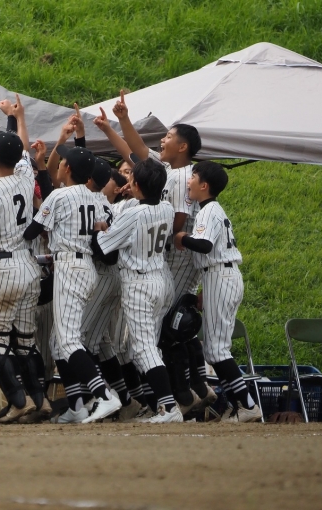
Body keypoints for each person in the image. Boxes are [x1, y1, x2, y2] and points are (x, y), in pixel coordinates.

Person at [110, 91, 214, 412]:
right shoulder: (170, 170)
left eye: (168, 136)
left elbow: (178, 219)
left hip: (176, 260)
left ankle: (185, 394)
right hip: (166, 261)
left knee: (170, 330)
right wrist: (121, 121)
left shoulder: (182, 176)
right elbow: (137, 153)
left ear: (182, 146)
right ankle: (188, 393)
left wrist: (156, 236)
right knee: (163, 332)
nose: (162, 140)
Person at [24, 145, 122, 424]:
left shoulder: (60, 195)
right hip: (87, 266)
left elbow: (31, 231)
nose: (60, 164)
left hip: (70, 266)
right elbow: (101, 229)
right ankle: (77, 406)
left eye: (62, 161)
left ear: (67, 168)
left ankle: (104, 395)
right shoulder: (95, 197)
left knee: (68, 341)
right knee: (58, 342)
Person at [0, 99, 47, 423]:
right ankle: (40, 400)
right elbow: (25, 150)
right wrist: (17, 118)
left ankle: (18, 401)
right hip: (29, 267)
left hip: (3, 269)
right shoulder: (26, 176)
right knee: (26, 341)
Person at [92, 158, 182, 423]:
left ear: (138, 185)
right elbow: (139, 205)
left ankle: (169, 407)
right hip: (160, 279)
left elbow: (103, 248)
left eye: (132, 179)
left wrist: (99, 230)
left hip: (139, 283)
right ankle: (161, 405)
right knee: (145, 348)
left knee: (143, 349)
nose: (128, 182)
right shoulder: (166, 207)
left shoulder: (134, 214)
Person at [174, 161, 262, 422]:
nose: (188, 181)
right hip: (218, 276)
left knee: (218, 350)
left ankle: (247, 405)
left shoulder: (208, 210)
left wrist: (181, 237)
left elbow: (204, 245)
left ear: (204, 185)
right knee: (215, 350)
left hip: (221, 275)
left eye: (193, 177)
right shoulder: (211, 209)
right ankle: (240, 405)